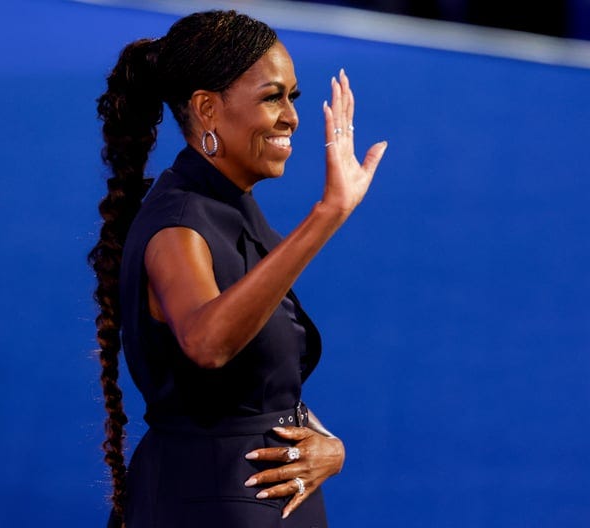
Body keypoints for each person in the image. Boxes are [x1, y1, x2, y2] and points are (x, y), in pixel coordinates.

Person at [88, 10, 386, 528]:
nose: (292, 117)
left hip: (266, 503)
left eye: (292, 95)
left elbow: (259, 382)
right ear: (207, 109)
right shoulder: (177, 227)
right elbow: (207, 344)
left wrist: (328, 445)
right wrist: (328, 214)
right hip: (210, 506)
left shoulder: (231, 206)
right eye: (273, 97)